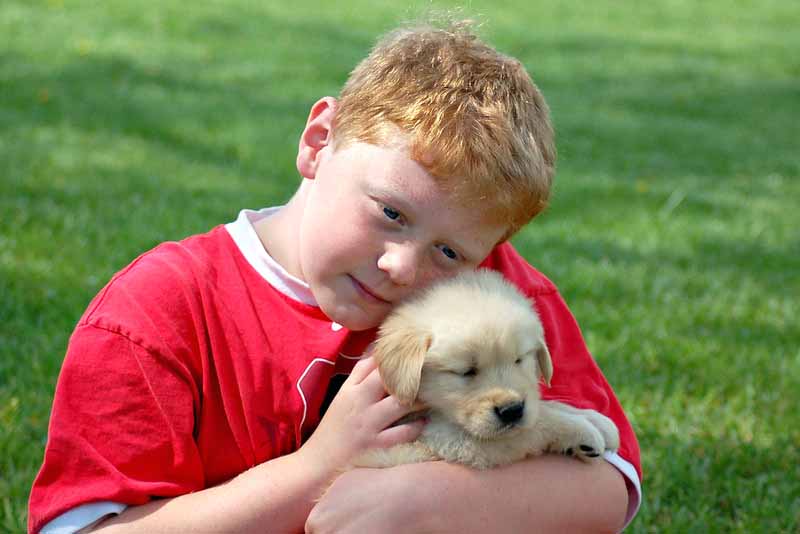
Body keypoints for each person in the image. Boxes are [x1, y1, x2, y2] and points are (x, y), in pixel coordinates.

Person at [29, 19, 641, 533]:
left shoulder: (496, 297)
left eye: (449, 252)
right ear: (319, 141)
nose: (402, 266)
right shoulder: (157, 311)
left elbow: (609, 484)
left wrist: (429, 501)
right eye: (390, 212)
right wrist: (313, 472)